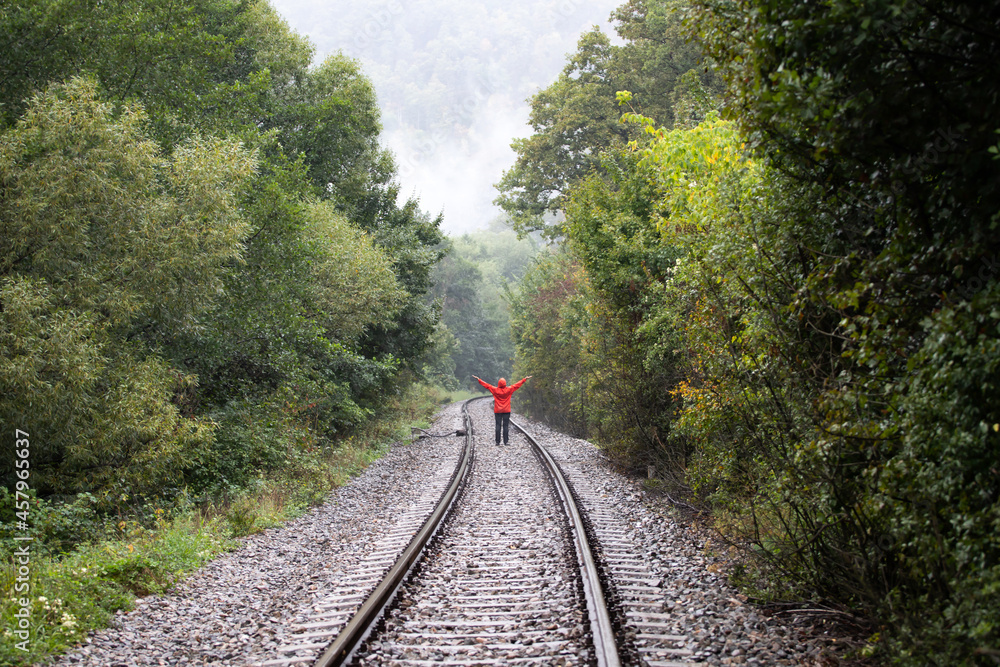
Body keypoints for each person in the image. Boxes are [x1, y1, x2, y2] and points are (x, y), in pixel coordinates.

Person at [473, 375, 532, 445]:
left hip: (498, 411)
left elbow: (487, 386)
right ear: (505, 383)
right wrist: (524, 379)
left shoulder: (495, 390)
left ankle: (497, 442)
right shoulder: (509, 389)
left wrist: (479, 380)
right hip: (506, 410)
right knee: (505, 426)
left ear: (498, 383)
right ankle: (506, 442)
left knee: (498, 425)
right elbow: (517, 385)